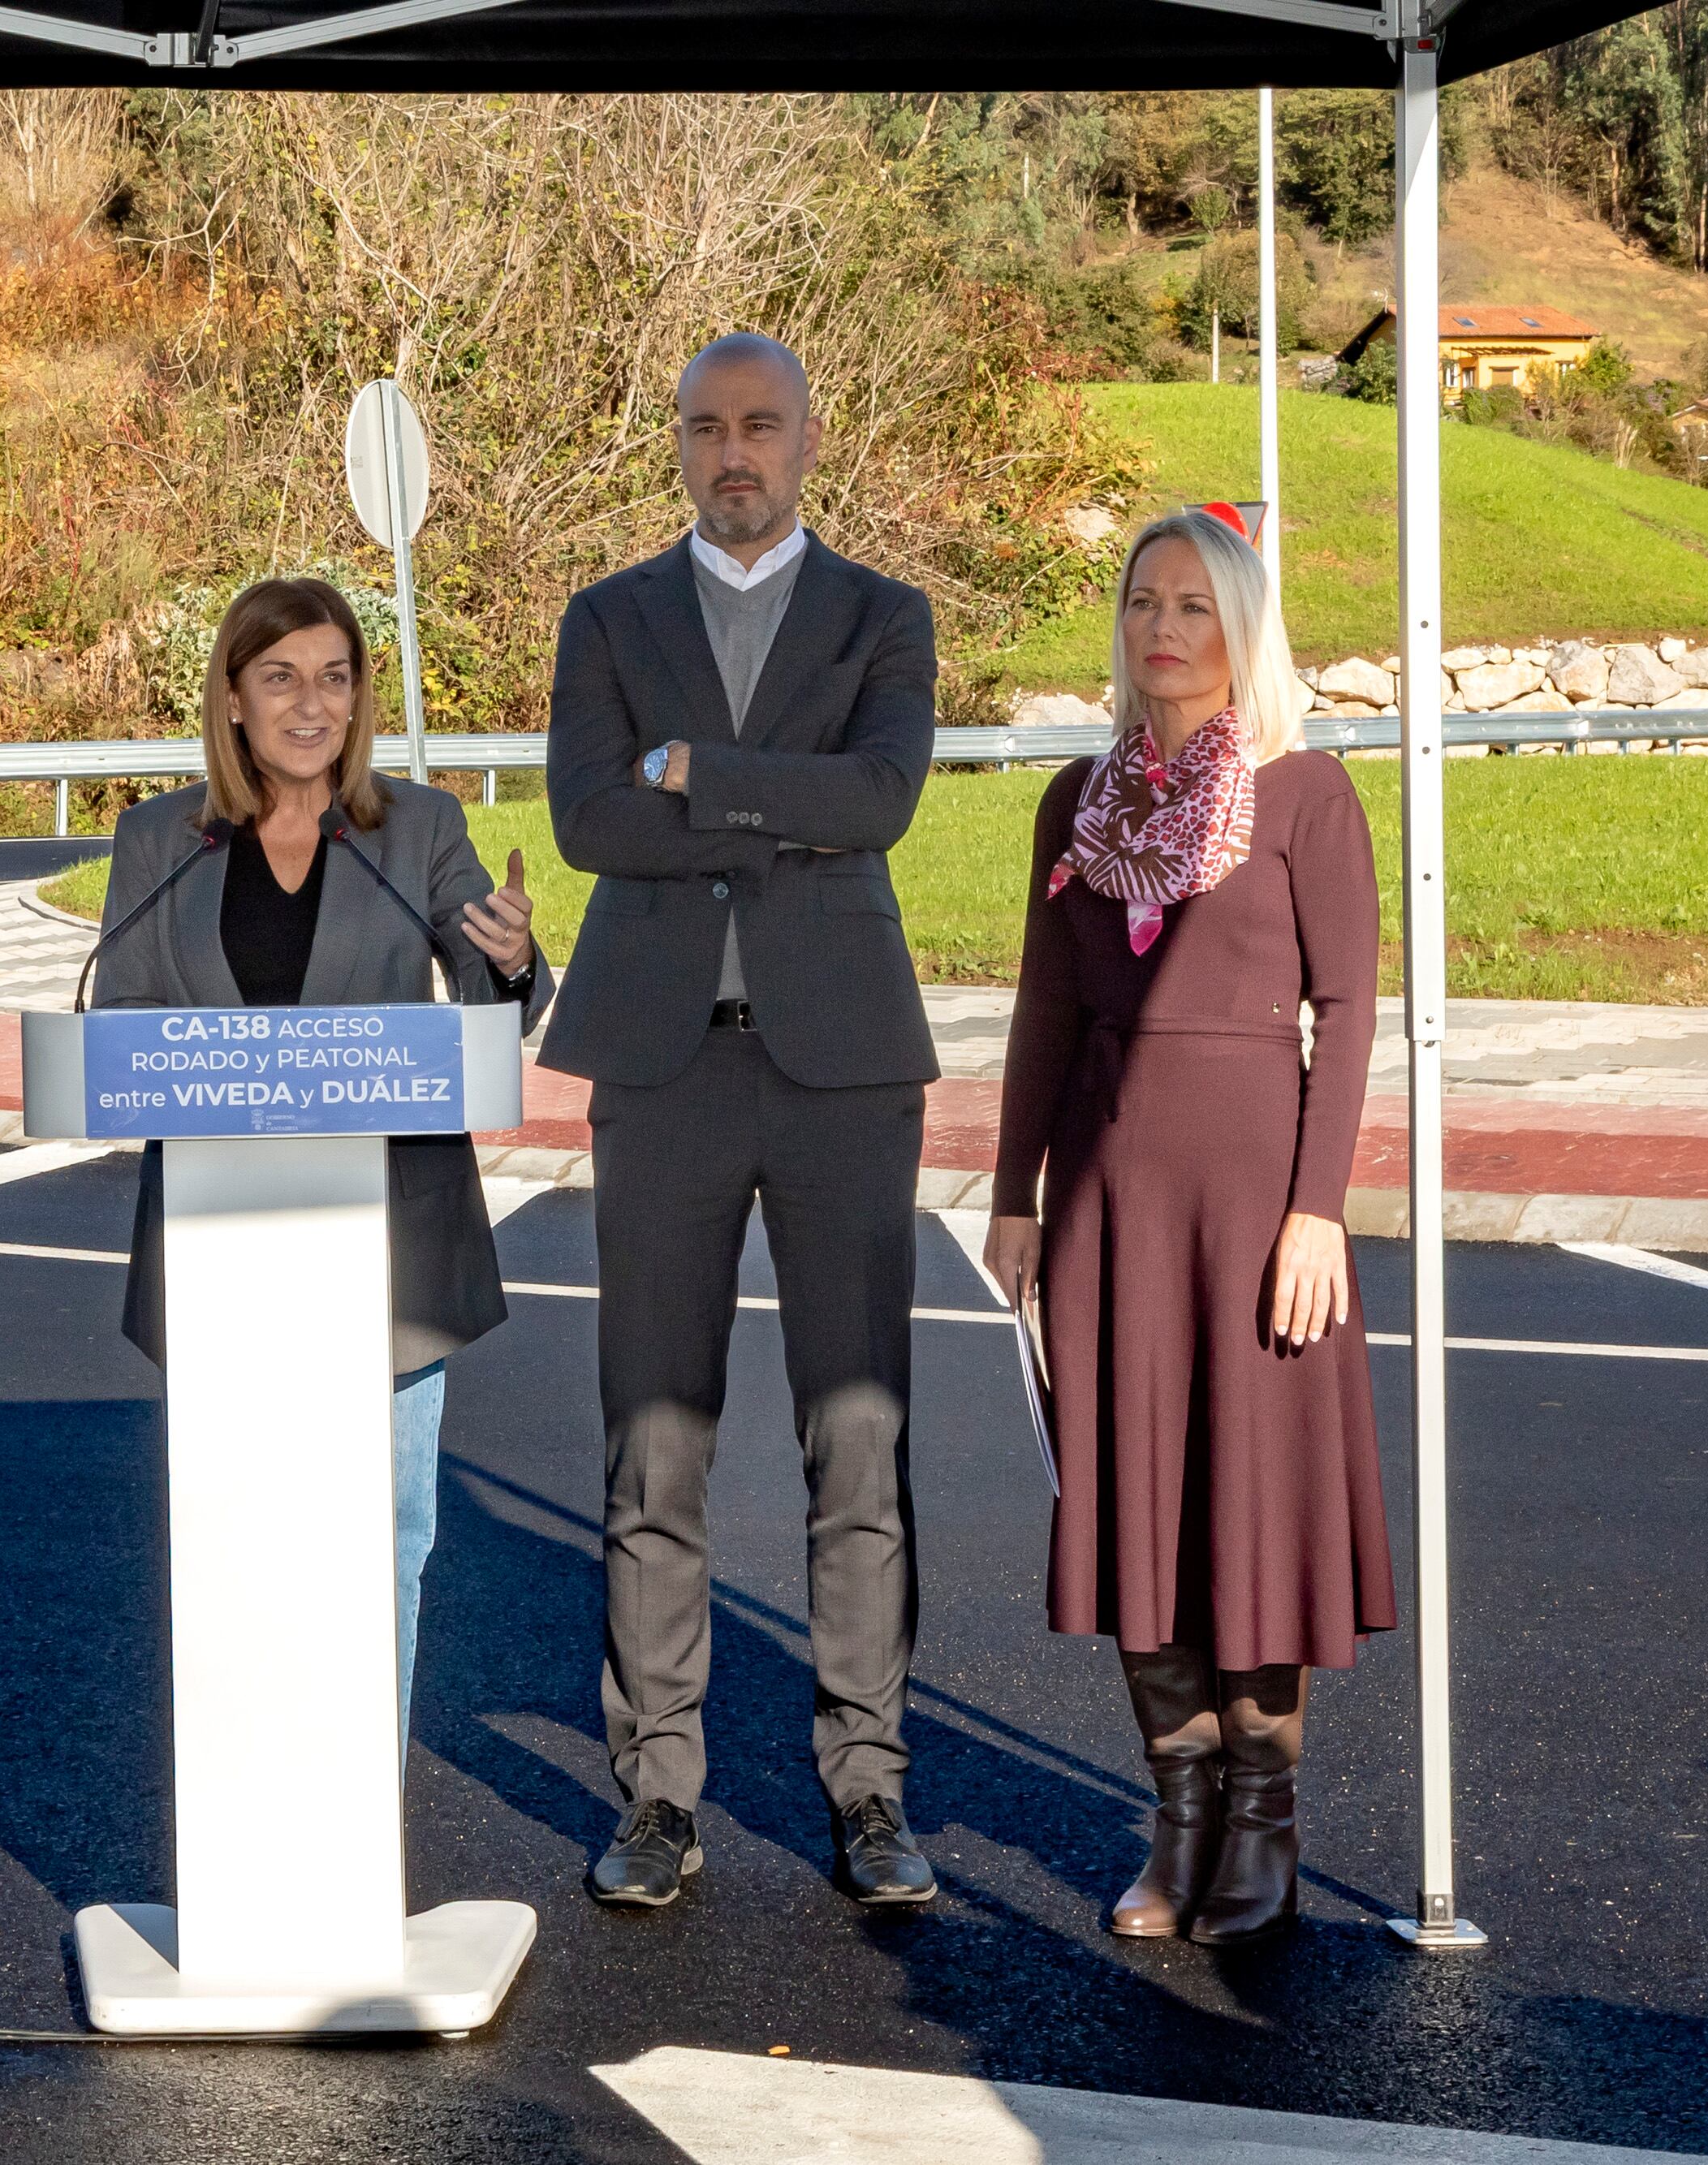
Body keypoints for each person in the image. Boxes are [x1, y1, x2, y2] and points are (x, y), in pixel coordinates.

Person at [541, 332, 944, 1912]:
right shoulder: (608, 615)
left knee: (855, 1435)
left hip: (842, 1064)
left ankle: (867, 1786)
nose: (732, 451)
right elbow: (586, 820)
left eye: (759, 424)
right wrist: (784, 789)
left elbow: (884, 799)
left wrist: (696, 769)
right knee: (654, 1438)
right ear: (677, 439)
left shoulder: (881, 614)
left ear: (806, 433)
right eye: (705, 425)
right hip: (660, 1063)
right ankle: (656, 1792)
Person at [981, 508, 1395, 1945]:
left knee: (1254, 1505)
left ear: (1242, 628)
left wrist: (1318, 1212)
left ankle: (1264, 1821)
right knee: (1139, 1502)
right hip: (1111, 1203)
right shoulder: (1076, 804)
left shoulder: (1304, 797)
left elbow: (1344, 1014)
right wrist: (1015, 1193)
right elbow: (1044, 1006)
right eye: (1144, 602)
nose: (1164, 629)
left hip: (1254, 1198)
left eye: (1194, 607)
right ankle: (1179, 1815)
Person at [88, 576, 551, 1744]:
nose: (312, 704)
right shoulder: (161, 840)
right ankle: (252, 1828)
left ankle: (363, 1824)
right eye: (281, 677)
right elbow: (123, 1017)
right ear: (233, 699)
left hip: (390, 1243)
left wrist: (507, 955)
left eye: (335, 678)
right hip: (218, 1246)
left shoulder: (421, 829)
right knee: (240, 1534)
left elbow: (489, 986)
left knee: (385, 1539)